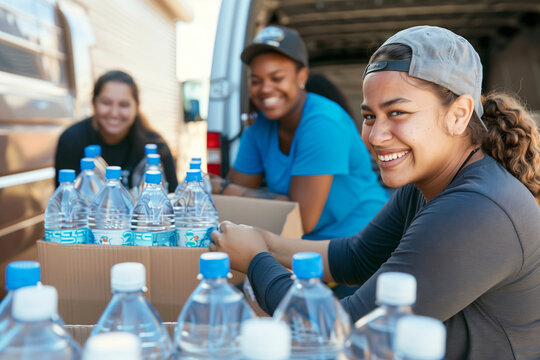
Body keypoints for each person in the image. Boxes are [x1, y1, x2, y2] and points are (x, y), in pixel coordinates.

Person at [210, 25, 540, 359]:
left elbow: (347, 329)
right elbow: (357, 257)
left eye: (398, 113)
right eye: (369, 116)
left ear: (458, 115)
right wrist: (264, 241)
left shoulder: (478, 209)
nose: (376, 135)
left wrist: (256, 261)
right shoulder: (428, 183)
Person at [211, 25, 389, 240]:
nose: (265, 89)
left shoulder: (323, 122)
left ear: (301, 77)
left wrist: (223, 188)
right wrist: (225, 191)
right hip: (299, 245)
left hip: (359, 240)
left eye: (276, 78)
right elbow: (233, 206)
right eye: (256, 81)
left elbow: (301, 218)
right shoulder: (259, 129)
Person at [54, 70, 178, 192]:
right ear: (94, 103)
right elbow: (66, 200)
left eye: (124, 105)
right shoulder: (72, 140)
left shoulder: (156, 146)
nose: (114, 113)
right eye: (106, 103)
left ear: (136, 107)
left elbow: (171, 199)